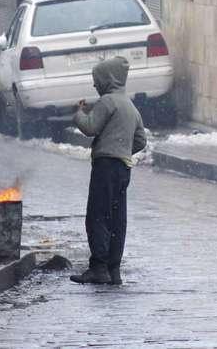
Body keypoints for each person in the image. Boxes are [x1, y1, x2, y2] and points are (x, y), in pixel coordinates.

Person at [70, 56, 147, 285]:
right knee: (116, 218)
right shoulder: (130, 106)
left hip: (105, 166)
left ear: (107, 79)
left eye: (97, 80)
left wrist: (79, 113)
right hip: (123, 168)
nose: (95, 85)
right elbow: (141, 140)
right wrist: (123, 148)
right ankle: (114, 270)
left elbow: (90, 127)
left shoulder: (108, 102)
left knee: (98, 215)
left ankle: (98, 268)